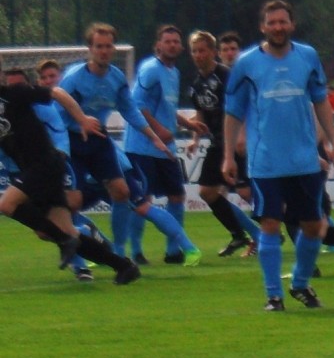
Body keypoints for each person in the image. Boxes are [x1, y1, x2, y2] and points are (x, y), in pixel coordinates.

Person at [224, 0, 334, 310]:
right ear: (263, 27)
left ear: (292, 25)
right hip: (266, 161)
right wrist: (227, 155)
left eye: (283, 22)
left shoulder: (307, 56)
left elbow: (321, 102)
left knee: (312, 227)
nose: (278, 27)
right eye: (272, 22)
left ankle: (300, 284)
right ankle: (273, 295)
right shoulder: (247, 63)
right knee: (270, 224)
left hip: (304, 159)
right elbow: (233, 112)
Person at [58, 22, 200, 266]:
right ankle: (81, 262)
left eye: (108, 46)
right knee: (73, 202)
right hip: (72, 143)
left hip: (99, 140)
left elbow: (130, 110)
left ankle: (120, 252)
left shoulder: (116, 77)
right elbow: (56, 114)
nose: (104, 51)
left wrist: (154, 138)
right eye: (99, 46)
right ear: (89, 49)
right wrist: (59, 146)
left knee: (123, 192)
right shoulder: (74, 78)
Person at [0, 66, 140, 284]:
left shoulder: (14, 94)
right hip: (35, 170)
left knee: (6, 205)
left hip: (45, 164)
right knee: (61, 232)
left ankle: (65, 240)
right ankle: (123, 266)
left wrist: (82, 118)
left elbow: (56, 92)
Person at [127, 24, 207, 263]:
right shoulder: (151, 69)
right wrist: (158, 129)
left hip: (165, 149)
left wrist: (189, 124)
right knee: (144, 199)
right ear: (158, 45)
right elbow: (136, 105)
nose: (172, 45)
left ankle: (173, 252)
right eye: (167, 41)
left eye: (175, 41)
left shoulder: (174, 72)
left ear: (181, 47)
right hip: (142, 146)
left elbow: (168, 109)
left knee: (176, 196)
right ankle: (136, 252)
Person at [188, 29, 261, 256]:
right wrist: (194, 138)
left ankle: (279, 227)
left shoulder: (227, 75)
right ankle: (239, 235)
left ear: (212, 52)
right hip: (217, 143)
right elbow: (201, 113)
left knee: (247, 192)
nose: (198, 55)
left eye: (202, 50)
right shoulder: (197, 84)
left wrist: (243, 135)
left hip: (234, 140)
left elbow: (246, 103)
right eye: (194, 51)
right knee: (207, 192)